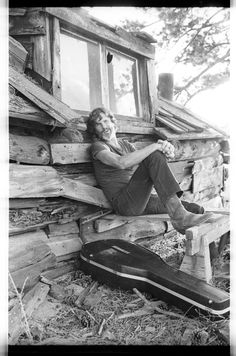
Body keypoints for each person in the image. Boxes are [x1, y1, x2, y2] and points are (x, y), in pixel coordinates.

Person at [87, 107, 214, 235]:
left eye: (105, 121)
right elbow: (121, 162)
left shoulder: (125, 145)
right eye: (98, 124)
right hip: (125, 203)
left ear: (113, 123)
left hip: (142, 200)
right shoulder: (98, 147)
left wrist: (166, 152)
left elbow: (152, 166)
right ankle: (180, 218)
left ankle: (211, 250)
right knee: (154, 155)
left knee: (195, 209)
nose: (104, 127)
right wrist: (156, 146)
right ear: (95, 131)